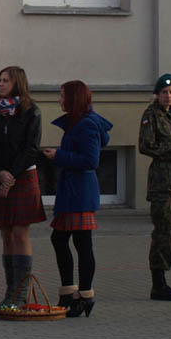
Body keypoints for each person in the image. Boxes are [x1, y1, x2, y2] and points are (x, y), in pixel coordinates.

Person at [43, 81, 112, 318]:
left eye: (62, 96)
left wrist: (59, 155)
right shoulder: (77, 122)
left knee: (81, 243)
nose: (59, 100)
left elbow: (90, 160)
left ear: (73, 98)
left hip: (79, 192)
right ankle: (71, 292)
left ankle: (84, 295)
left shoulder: (87, 124)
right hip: (73, 191)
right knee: (62, 239)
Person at [0, 66, 45, 309]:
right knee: (6, 233)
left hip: (22, 177)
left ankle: (21, 295)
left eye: (5, 80)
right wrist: (0, 171)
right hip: (0, 176)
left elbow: (32, 148)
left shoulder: (31, 111)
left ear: (17, 82)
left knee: (20, 233)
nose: (0, 84)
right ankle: (10, 292)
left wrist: (12, 174)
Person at [138, 73, 171, 300]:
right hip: (162, 183)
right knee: (165, 232)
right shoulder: (151, 115)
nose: (168, 96)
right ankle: (159, 284)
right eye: (164, 93)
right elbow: (146, 146)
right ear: (157, 94)